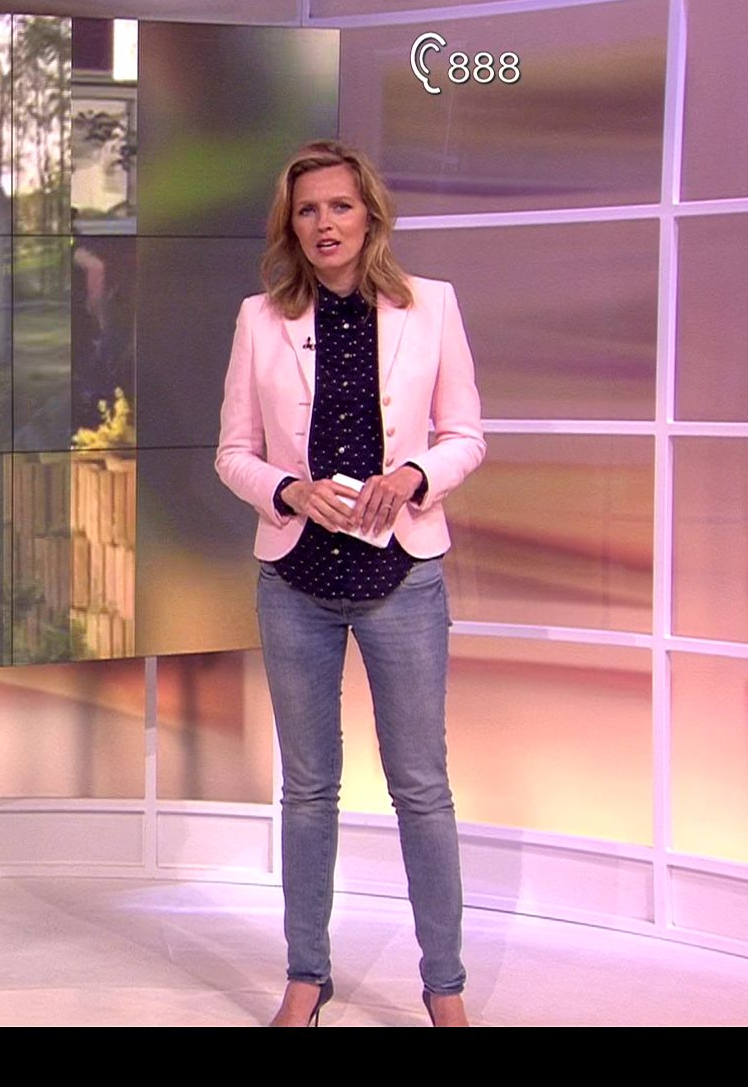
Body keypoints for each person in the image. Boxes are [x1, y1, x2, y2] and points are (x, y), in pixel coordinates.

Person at [214, 140, 486, 1028]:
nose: (324, 224)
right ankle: (307, 975)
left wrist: (413, 474)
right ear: (289, 226)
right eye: (307, 210)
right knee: (307, 790)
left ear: (369, 213)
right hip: (295, 580)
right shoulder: (260, 319)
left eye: (339, 206)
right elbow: (233, 454)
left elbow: (466, 436)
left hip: (402, 576)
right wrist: (288, 491)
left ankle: (444, 987)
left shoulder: (431, 306)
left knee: (421, 787)